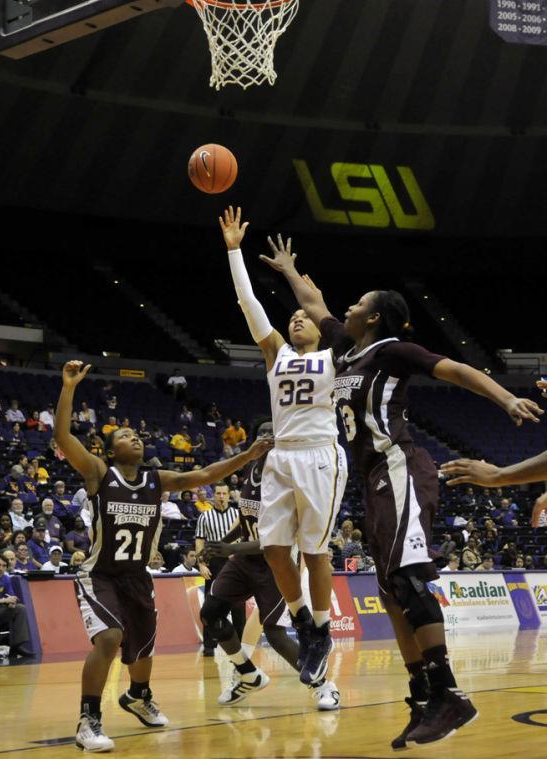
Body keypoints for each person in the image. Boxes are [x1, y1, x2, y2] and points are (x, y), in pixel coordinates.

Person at [263, 236, 543, 747]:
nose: (347, 307)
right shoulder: (344, 351)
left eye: (359, 302)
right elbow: (315, 303)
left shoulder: (392, 351)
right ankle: (420, 695)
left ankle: (450, 694)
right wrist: (287, 270)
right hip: (373, 478)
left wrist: (505, 398)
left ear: (373, 317)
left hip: (401, 468)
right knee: (390, 591)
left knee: (410, 583)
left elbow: (455, 369)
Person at [54, 360, 272, 752]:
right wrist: (69, 387)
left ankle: (139, 695)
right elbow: (63, 435)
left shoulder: (158, 480)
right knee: (109, 637)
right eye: (124, 435)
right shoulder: (99, 473)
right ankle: (88, 718)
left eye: (137, 435)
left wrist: (248, 455)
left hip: (137, 576)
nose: (134, 438)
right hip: (100, 574)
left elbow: (204, 476)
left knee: (141, 649)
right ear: (110, 448)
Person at [219, 207, 348, 688]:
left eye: (302, 318)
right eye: (291, 317)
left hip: (320, 453)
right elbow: (248, 302)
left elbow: (316, 304)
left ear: (318, 327)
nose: (296, 319)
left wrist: (297, 280)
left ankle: (322, 629)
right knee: (275, 550)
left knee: (315, 553)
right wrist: (234, 250)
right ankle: (303, 624)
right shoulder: (277, 353)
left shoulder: (335, 355)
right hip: (282, 455)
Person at [200, 419, 340, 710]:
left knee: (275, 633)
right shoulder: (251, 470)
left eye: (271, 434)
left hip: (275, 565)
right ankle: (248, 674)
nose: (266, 438)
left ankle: (324, 686)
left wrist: (229, 548)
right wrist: (220, 546)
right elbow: (247, 520)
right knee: (211, 613)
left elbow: (278, 540)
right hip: (243, 561)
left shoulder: (286, 477)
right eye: (261, 432)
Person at [195, 483, 246, 656]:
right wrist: (201, 563)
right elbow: (200, 541)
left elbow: (245, 537)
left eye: (224, 493)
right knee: (210, 604)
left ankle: (240, 645)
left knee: (239, 606)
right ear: (213, 495)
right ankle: (209, 646)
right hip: (214, 561)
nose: (221, 496)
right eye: (218, 493)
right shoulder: (205, 516)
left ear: (229, 495)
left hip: (235, 560)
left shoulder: (237, 514)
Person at [0, 554, 34, 660]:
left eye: (4, 566)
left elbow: (10, 596)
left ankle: (16, 646)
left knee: (20, 608)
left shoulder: (6, 579)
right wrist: (3, 600)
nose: (1, 569)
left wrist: (12, 602)